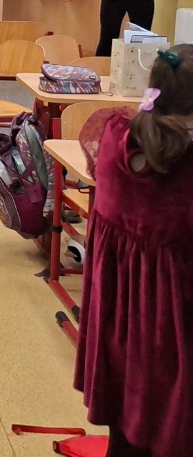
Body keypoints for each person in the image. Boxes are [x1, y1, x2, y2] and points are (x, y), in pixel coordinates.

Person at [75, 44, 193, 457]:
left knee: (124, 443)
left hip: (118, 330)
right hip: (171, 337)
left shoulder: (114, 136)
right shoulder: (183, 171)